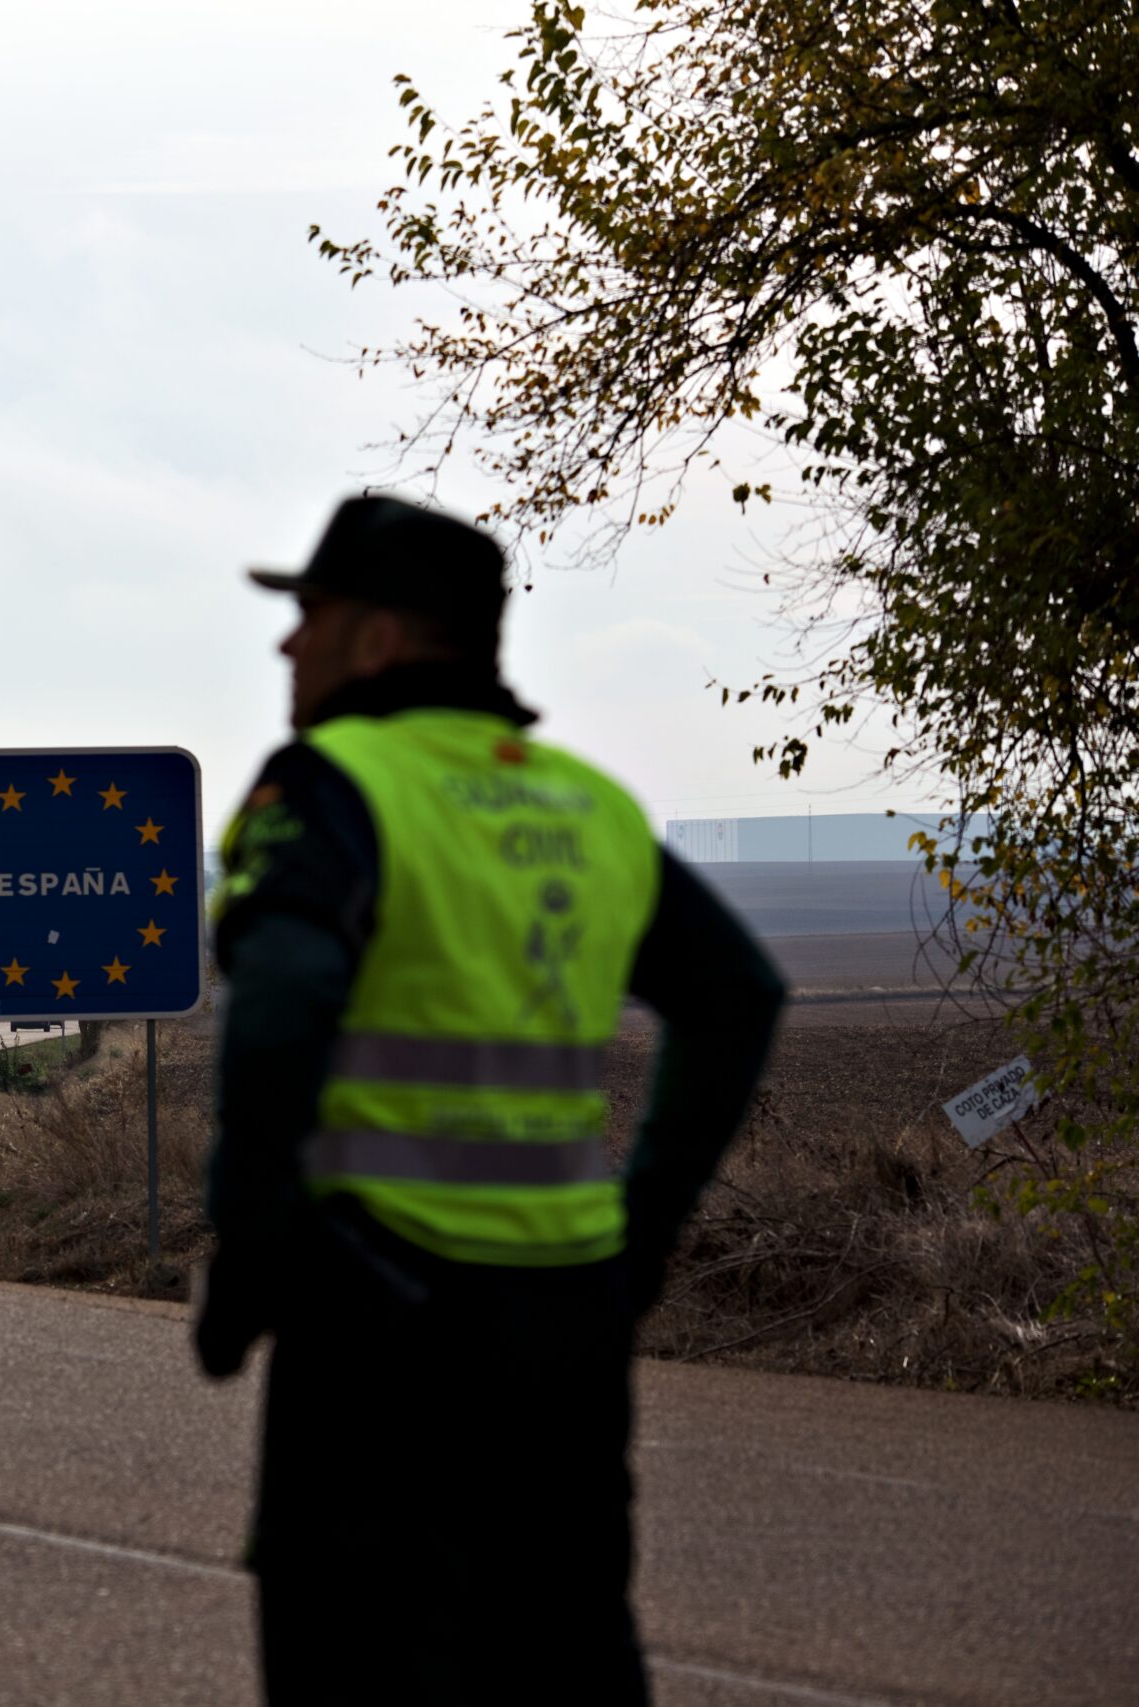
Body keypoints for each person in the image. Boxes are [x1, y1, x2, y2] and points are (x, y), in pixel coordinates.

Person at [196, 495, 788, 1704]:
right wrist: (639, 1247)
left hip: (375, 1328)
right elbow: (735, 998)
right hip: (565, 1331)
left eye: (308, 614)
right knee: (564, 1657)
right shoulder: (589, 806)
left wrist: (253, 1254)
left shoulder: (331, 786)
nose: (284, 646)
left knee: (355, 1664)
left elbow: (279, 1008)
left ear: (378, 638)